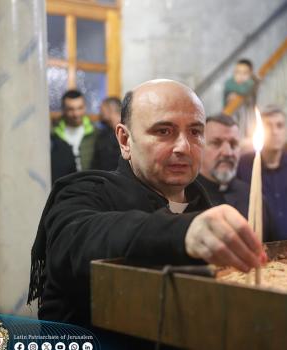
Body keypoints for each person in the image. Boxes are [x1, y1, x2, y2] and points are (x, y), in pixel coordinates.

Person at [28, 80, 266, 328]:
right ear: (125, 140)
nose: (184, 147)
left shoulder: (207, 206)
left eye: (195, 132)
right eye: (164, 131)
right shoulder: (84, 193)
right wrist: (183, 233)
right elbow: (82, 238)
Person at [237, 105, 287, 240]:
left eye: (279, 126)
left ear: (285, 130)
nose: (274, 131)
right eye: (268, 126)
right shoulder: (244, 166)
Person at [196, 113, 277, 241]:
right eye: (216, 143)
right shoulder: (184, 196)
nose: (228, 152)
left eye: (233, 144)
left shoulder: (253, 196)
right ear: (199, 147)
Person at [53, 90, 97, 171]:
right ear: (63, 109)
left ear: (85, 107)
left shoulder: (95, 133)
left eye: (80, 108)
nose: (76, 114)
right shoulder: (53, 134)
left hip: (89, 181)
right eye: (71, 109)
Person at [91, 97, 122, 170]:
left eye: (101, 110)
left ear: (110, 109)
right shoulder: (102, 135)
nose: (100, 113)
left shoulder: (128, 132)